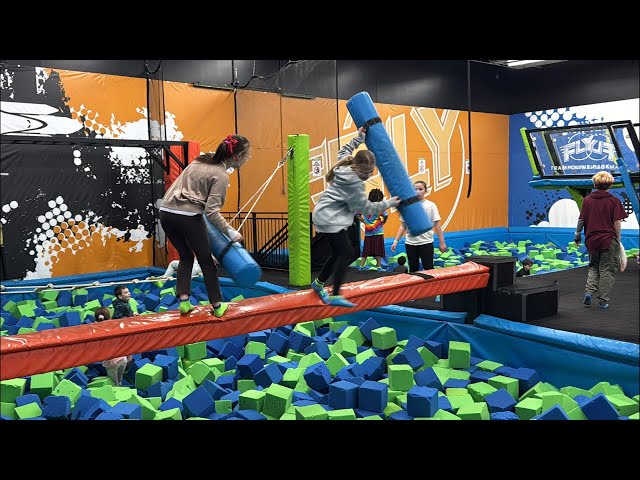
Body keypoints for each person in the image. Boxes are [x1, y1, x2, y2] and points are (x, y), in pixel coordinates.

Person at [159, 134, 251, 317]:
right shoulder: (221, 175)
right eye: (247, 155)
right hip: (189, 216)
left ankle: (184, 302)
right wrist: (230, 232)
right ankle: (217, 306)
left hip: (166, 213)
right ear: (237, 156)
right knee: (207, 262)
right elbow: (211, 212)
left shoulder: (199, 161)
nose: (248, 158)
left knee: (186, 256)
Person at [311, 127, 400, 307]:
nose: (368, 176)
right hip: (330, 218)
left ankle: (318, 284)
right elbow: (366, 208)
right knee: (346, 253)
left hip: (324, 213)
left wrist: (359, 137)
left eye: (370, 173)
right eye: (366, 173)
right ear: (358, 168)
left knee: (338, 253)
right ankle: (336, 294)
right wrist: (389, 203)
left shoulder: (345, 164)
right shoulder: (355, 184)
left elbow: (344, 150)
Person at [574, 171, 628, 309]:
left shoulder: (587, 200)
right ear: (610, 185)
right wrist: (618, 238)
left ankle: (589, 292)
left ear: (594, 184)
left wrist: (577, 235)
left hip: (592, 240)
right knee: (606, 270)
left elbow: (581, 220)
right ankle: (603, 300)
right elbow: (617, 222)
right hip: (608, 240)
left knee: (593, 267)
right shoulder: (614, 201)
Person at [390, 180, 447, 272]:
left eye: (420, 189)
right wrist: (396, 241)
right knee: (413, 269)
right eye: (415, 189)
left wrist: (442, 242)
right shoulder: (407, 206)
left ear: (425, 190)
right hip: (410, 243)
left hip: (426, 242)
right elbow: (403, 226)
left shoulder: (431, 205)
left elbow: (437, 224)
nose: (418, 192)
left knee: (429, 268)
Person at [94, 307, 132, 386]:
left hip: (111, 362)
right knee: (120, 378)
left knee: (113, 382)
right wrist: (129, 357)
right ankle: (120, 385)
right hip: (123, 359)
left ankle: (117, 390)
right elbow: (126, 342)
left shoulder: (97, 330)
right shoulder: (115, 326)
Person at [356, 188, 389, 270]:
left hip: (368, 231)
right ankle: (378, 267)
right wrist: (383, 222)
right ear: (379, 198)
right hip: (378, 231)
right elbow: (386, 215)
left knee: (366, 250)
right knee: (378, 250)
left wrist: (364, 221)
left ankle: (361, 266)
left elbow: (357, 214)